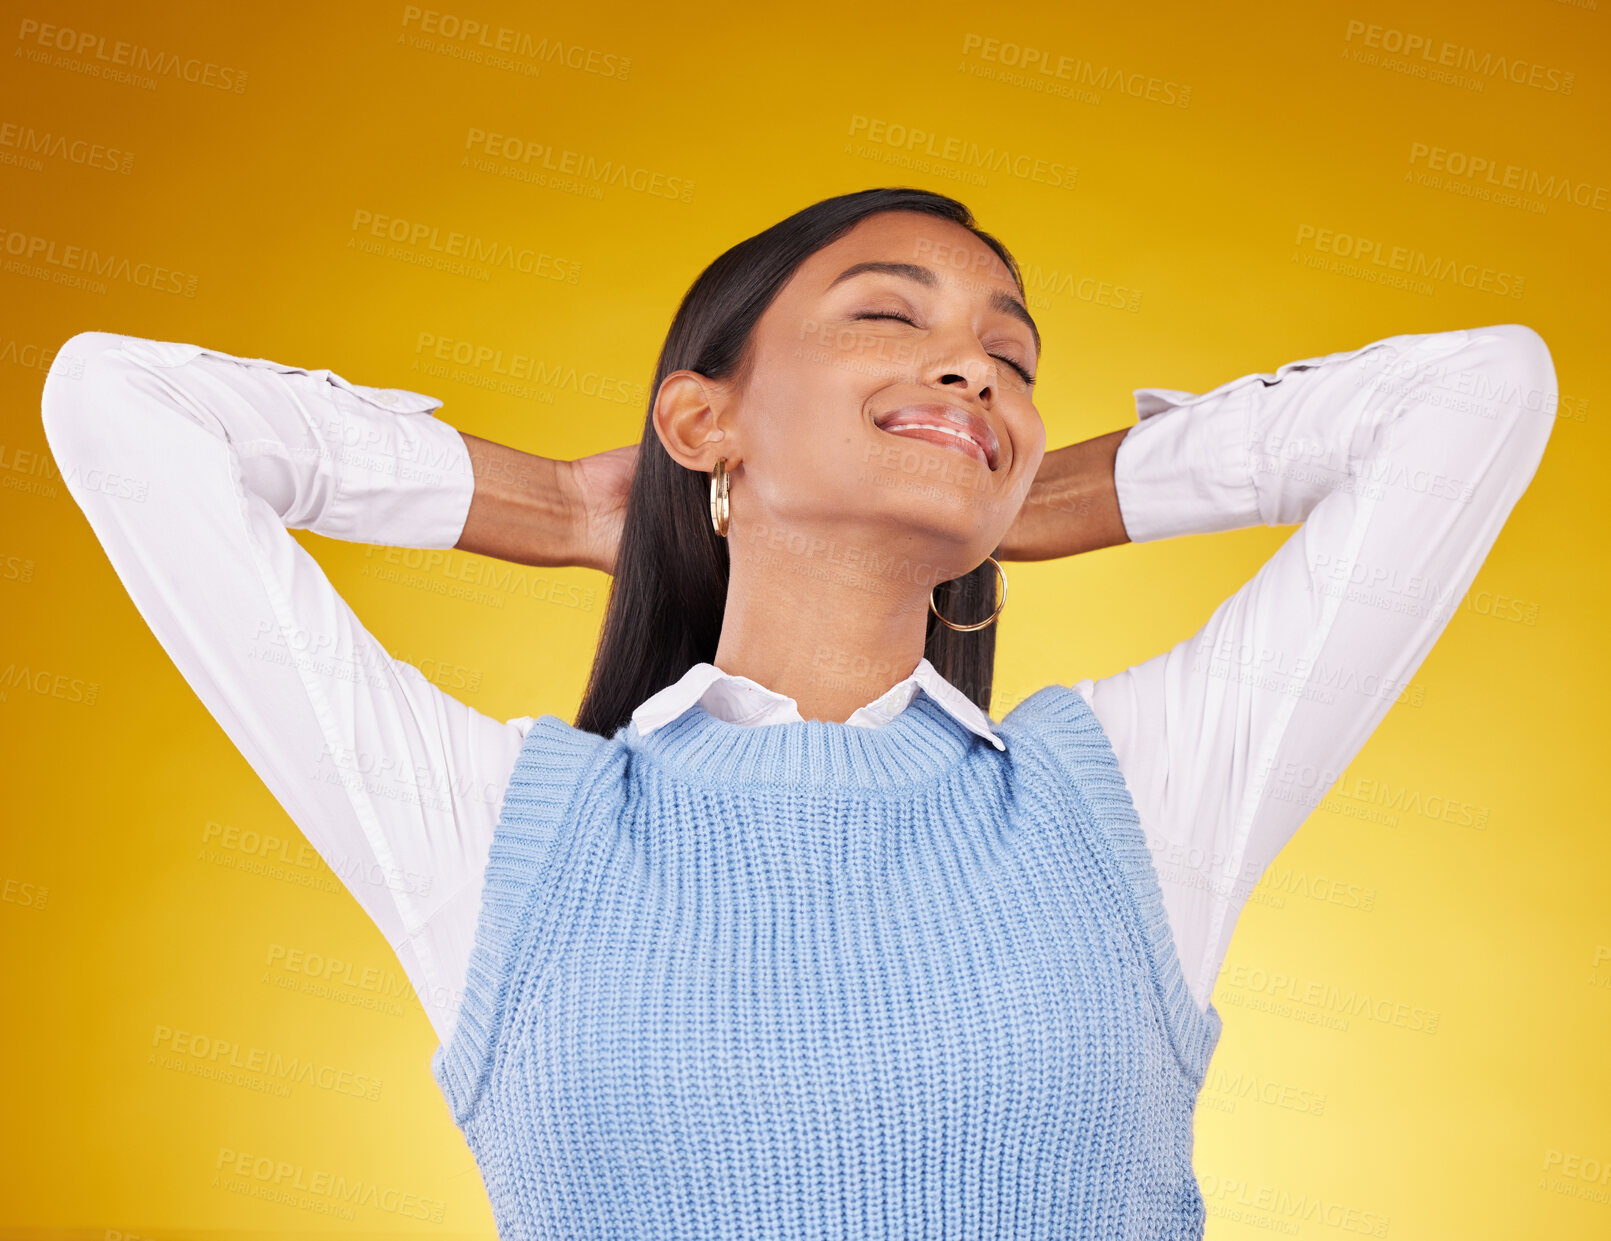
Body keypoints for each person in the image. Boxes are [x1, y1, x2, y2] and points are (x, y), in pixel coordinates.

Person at [41, 187, 1556, 1239]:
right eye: (891, 319)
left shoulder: (1135, 803)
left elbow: (1479, 393)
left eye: (1009, 358)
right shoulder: (507, 837)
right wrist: (563, 504)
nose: (971, 362)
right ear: (704, 420)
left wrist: (1027, 489)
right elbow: (123, 405)